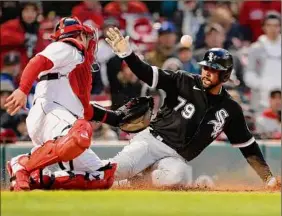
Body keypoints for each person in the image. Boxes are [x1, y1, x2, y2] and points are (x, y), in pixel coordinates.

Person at [104, 27, 280, 189]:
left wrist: (268, 178)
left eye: (214, 69)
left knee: (177, 178)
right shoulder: (184, 80)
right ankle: (82, 174)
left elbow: (248, 146)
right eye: (206, 67)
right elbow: (148, 73)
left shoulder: (230, 109)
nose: (207, 72)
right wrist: (128, 54)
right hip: (152, 142)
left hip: (175, 157)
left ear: (225, 75)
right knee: (115, 171)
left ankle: (129, 183)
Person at [4, 17, 131, 191]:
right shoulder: (69, 47)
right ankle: (23, 164)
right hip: (50, 113)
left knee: (102, 176)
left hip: (59, 121)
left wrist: (115, 118)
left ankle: (39, 179)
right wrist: (22, 90)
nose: (89, 40)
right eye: (86, 36)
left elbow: (85, 110)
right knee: (80, 133)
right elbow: (37, 61)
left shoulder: (73, 68)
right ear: (79, 34)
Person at [244, 12, 281, 110]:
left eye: (276, 25)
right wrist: (261, 84)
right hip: (262, 97)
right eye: (269, 25)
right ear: (264, 27)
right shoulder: (255, 48)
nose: (273, 29)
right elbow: (249, 73)